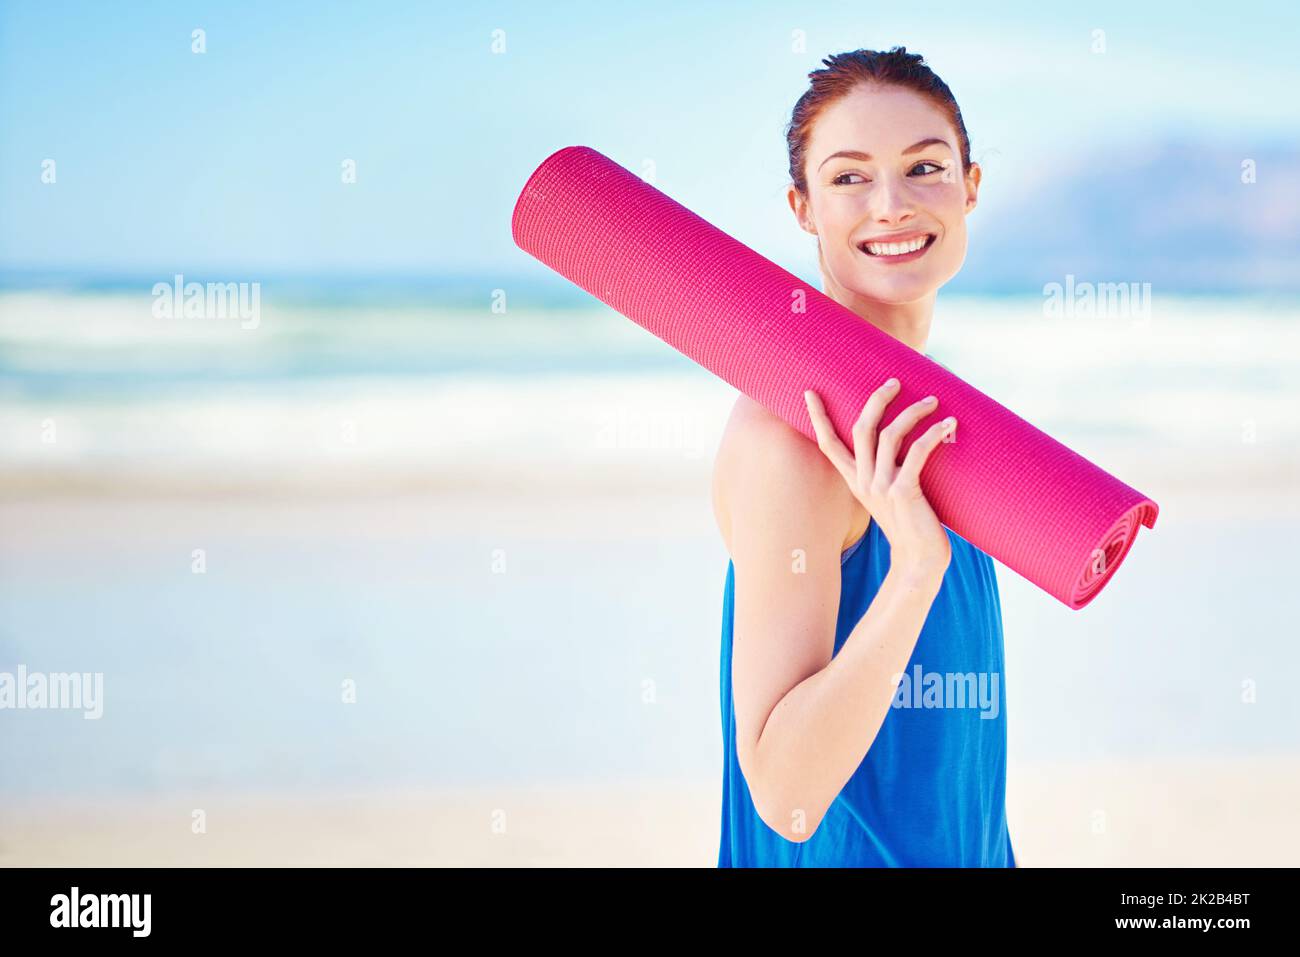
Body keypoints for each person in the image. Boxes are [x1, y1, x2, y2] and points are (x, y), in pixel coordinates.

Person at [713, 47, 1015, 866]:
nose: (892, 204)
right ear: (802, 207)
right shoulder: (794, 441)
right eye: (848, 178)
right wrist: (916, 567)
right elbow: (786, 795)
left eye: (925, 166)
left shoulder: (937, 411)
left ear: (970, 187)